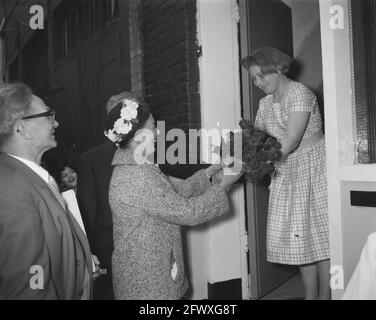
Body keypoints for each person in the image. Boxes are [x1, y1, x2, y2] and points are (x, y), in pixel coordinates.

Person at [106, 96, 242, 300]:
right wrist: (224, 184)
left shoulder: (136, 166)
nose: (158, 132)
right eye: (153, 127)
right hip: (148, 282)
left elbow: (176, 194)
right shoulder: (137, 174)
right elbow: (188, 212)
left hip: (149, 274)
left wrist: (212, 171)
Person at [241, 47, 330, 300]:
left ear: (279, 68)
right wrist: (230, 160)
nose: (258, 83)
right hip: (287, 169)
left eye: (261, 76)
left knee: (322, 240)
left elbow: (289, 141)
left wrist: (255, 161)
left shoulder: (300, 93)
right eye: (254, 78)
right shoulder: (265, 102)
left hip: (313, 168)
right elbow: (255, 140)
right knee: (301, 239)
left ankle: (326, 297)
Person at [0, 82, 93, 299]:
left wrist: (79, 263)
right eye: (48, 116)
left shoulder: (27, 176)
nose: (56, 122)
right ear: (23, 128)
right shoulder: (12, 190)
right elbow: (30, 286)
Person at [76, 92, 133, 300]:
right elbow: (87, 211)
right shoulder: (90, 159)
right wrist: (89, 252)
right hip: (108, 249)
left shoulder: (149, 153)